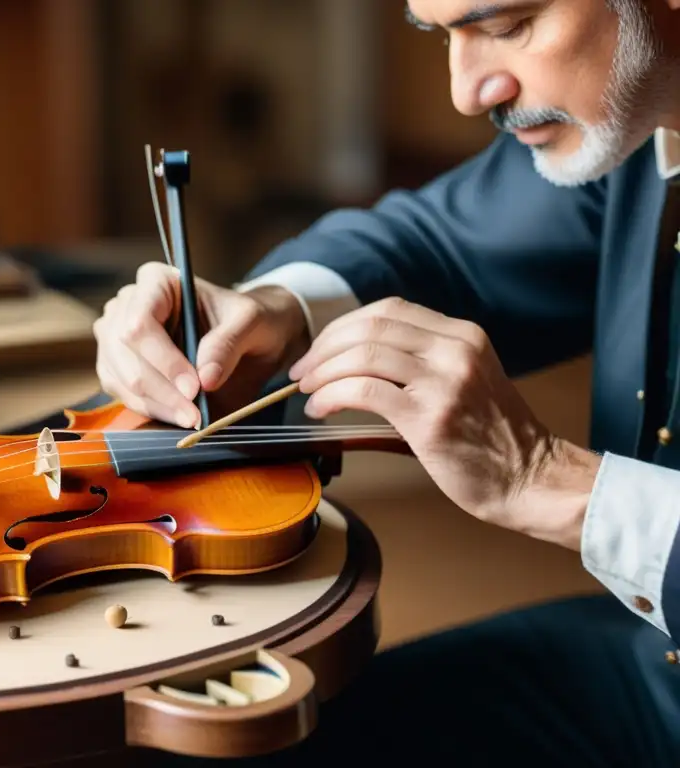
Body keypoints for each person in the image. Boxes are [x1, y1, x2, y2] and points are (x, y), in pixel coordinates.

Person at [92, 0, 680, 764]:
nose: (466, 92)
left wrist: (549, 481)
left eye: (505, 28)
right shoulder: (644, 115)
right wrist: (275, 311)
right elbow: (448, 238)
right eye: (440, 35)